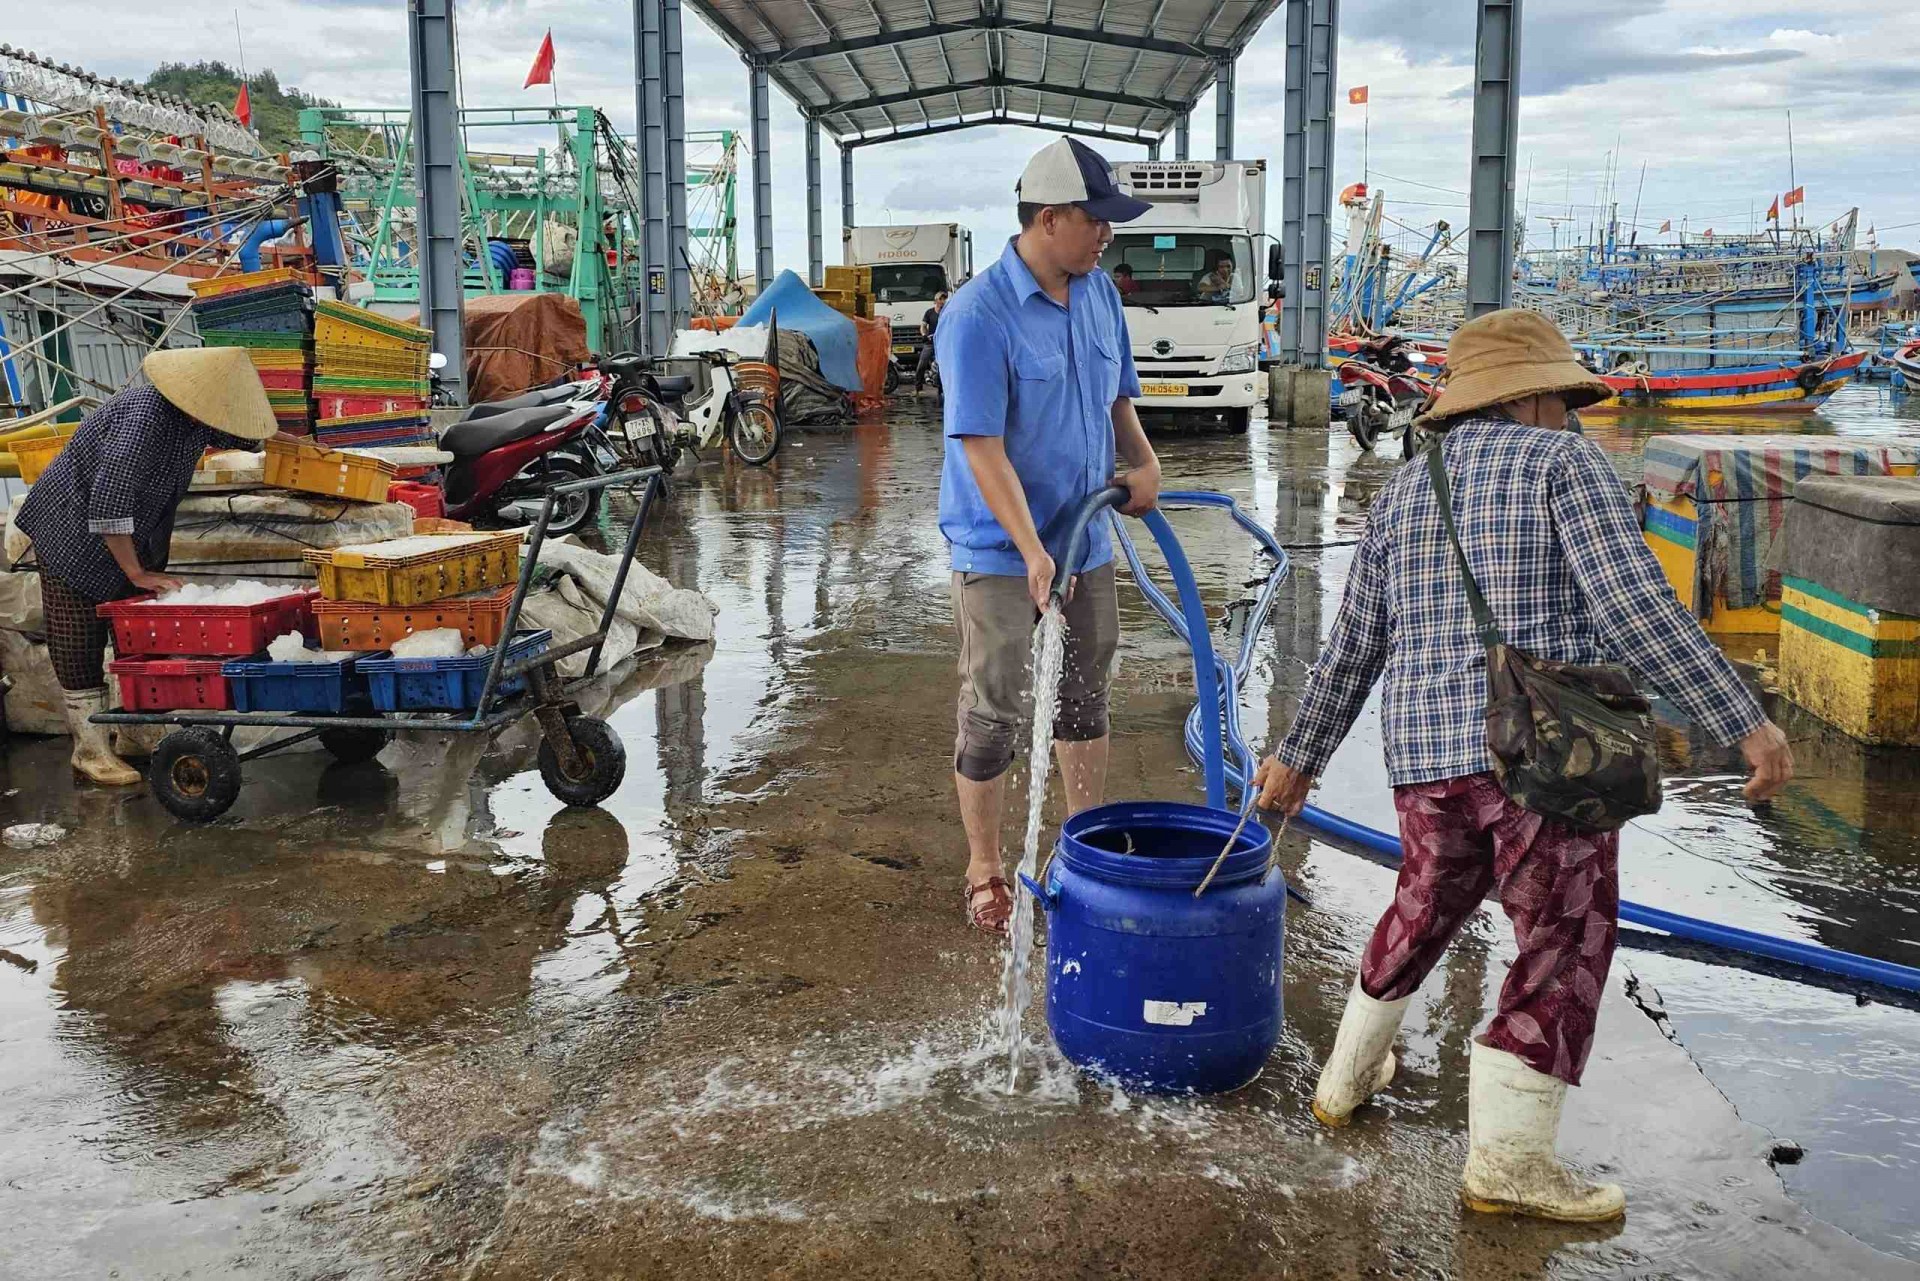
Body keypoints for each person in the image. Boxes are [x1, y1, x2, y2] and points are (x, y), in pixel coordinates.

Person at [1251, 309, 1794, 1222]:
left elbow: (1354, 644)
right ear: (1536, 394)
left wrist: (1299, 757)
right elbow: (1634, 611)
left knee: (1423, 906)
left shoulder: (1406, 486)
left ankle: (1342, 1081)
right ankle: (1509, 1161)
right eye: (1563, 398)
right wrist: (1745, 721)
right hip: (1543, 755)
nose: (1570, 416)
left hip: (1425, 757)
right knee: (1560, 940)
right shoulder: (1562, 464)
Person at [936, 137, 1164, 935]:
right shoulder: (977, 314)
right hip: (1002, 554)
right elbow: (980, 445)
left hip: (1089, 538)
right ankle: (985, 866)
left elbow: (1117, 397)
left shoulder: (1098, 293)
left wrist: (1143, 461)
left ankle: (1082, 844)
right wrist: (1033, 550)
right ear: (1048, 218)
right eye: (1095, 219)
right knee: (994, 707)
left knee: (1084, 692)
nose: (1106, 234)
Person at [16, 347, 282, 785]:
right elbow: (108, 506)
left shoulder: (195, 419)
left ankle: (136, 732)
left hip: (135, 534)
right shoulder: (143, 419)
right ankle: (91, 748)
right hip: (72, 532)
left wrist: (279, 439)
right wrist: (137, 573)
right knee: (79, 635)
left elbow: (244, 437)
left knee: (136, 636)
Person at [914, 289, 950, 394]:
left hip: (942, 343)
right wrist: (924, 335)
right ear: (936, 300)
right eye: (940, 299)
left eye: (944, 299)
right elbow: (923, 326)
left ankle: (942, 389)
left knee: (944, 366)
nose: (942, 301)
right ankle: (918, 388)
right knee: (922, 364)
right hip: (930, 343)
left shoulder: (947, 312)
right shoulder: (929, 312)